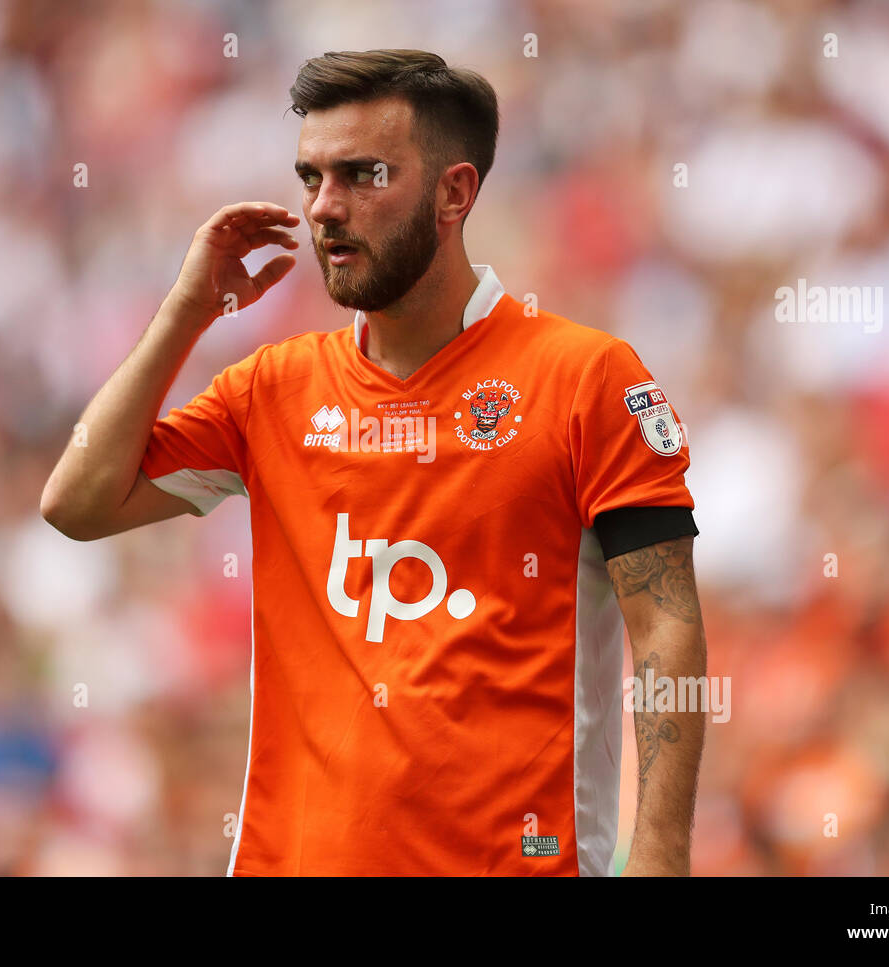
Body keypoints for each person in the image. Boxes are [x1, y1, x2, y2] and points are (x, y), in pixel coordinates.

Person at [41, 49, 707, 876]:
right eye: (311, 178)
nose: (325, 206)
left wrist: (661, 853)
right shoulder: (272, 389)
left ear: (454, 194)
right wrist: (184, 311)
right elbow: (76, 502)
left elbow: (667, 623)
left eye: (363, 175)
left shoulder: (586, 378)